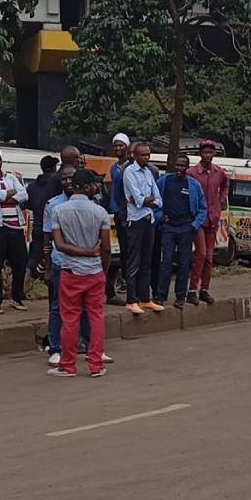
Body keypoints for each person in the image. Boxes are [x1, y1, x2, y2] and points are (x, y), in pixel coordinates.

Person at [47, 169, 112, 378]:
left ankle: (67, 365)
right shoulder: (99, 212)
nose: (96, 188)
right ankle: (96, 364)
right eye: (93, 184)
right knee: (95, 316)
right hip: (94, 271)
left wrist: (81, 253)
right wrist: (103, 266)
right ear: (86, 186)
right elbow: (107, 248)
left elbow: (59, 244)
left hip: (70, 271)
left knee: (70, 318)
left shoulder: (59, 210)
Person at [42, 165, 98, 366]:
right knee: (58, 307)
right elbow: (48, 240)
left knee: (86, 307)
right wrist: (47, 268)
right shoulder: (53, 205)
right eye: (64, 179)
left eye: (71, 179)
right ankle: (55, 348)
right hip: (61, 263)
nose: (68, 182)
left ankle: (90, 347)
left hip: (88, 265)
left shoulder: (93, 203)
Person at [26, 145, 80, 303]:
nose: (68, 182)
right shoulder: (57, 184)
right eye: (75, 158)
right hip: (51, 231)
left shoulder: (34, 185)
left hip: (41, 225)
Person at [155, 154, 207, 310]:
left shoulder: (194, 185)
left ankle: (180, 297)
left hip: (186, 228)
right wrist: (159, 217)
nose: (179, 168)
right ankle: (160, 296)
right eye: (177, 165)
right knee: (167, 261)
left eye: (182, 165)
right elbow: (155, 202)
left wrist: (194, 225)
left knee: (184, 263)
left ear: (187, 167)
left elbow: (203, 208)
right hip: (168, 227)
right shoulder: (163, 181)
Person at [0, 149, 30, 313]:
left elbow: (24, 194)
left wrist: (7, 197)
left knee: (20, 263)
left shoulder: (11, 177)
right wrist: (8, 194)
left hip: (16, 226)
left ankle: (17, 298)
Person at [121, 142, 162, 314]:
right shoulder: (129, 172)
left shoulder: (148, 172)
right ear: (135, 156)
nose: (147, 157)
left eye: (148, 154)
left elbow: (159, 200)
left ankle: (145, 298)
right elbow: (138, 200)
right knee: (134, 262)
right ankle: (131, 300)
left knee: (147, 260)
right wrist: (147, 200)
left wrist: (148, 200)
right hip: (136, 221)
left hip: (149, 219)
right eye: (143, 155)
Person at [186, 139, 227, 305]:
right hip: (198, 219)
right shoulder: (192, 173)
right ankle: (192, 289)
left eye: (210, 152)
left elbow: (225, 186)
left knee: (209, 257)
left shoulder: (220, 172)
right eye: (205, 152)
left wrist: (222, 200)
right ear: (200, 154)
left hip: (213, 218)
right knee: (201, 253)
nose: (207, 155)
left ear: (214, 154)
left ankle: (205, 289)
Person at [104, 133, 132, 306]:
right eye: (116, 145)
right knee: (123, 251)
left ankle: (129, 282)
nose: (118, 148)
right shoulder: (114, 168)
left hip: (129, 213)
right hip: (117, 213)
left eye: (121, 145)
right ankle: (124, 279)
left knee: (131, 251)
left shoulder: (131, 166)